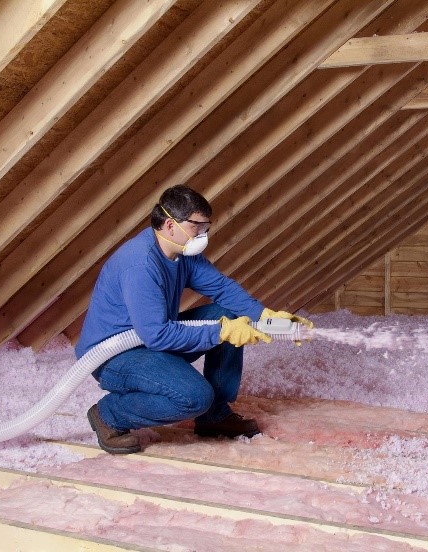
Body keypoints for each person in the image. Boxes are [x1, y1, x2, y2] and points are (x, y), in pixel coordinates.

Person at [76, 184, 311, 454]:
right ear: (169, 224)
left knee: (229, 313)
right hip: (116, 357)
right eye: (196, 227)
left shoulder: (182, 253)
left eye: (206, 227)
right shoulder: (140, 265)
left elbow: (221, 288)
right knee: (194, 397)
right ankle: (109, 415)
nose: (202, 235)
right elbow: (157, 335)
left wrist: (264, 316)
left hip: (151, 344)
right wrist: (221, 332)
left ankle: (215, 416)